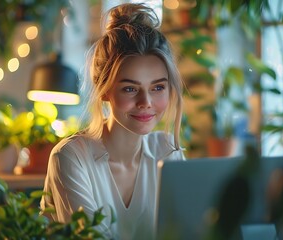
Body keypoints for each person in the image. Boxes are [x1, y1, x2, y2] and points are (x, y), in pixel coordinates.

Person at [40, 3, 185, 239]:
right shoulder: (70, 158)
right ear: (104, 90)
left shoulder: (168, 152)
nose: (146, 101)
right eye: (130, 88)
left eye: (158, 87)